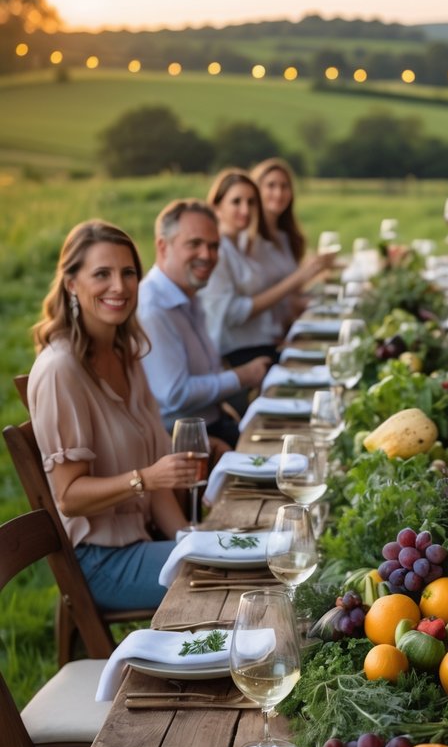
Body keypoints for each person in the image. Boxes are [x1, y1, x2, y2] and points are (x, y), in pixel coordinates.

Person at [28, 220, 197, 611]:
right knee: (227, 580)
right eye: (101, 274)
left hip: (140, 541)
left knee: (231, 563)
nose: (119, 287)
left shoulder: (127, 355)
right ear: (72, 283)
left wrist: (190, 539)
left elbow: (157, 491)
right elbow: (68, 498)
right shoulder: (61, 369)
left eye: (128, 273)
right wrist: (145, 478)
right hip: (98, 561)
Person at [139, 199, 271, 446]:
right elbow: (174, 395)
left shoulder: (189, 294)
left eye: (213, 246)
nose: (207, 255)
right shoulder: (153, 308)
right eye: (195, 244)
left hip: (212, 423)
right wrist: (243, 376)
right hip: (181, 443)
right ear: (163, 246)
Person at [200, 169, 335, 367]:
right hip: (238, 355)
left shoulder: (241, 246)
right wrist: (298, 278)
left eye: (251, 202)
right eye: (236, 202)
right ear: (217, 207)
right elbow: (232, 314)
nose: (246, 210)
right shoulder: (218, 251)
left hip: (264, 343)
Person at [251, 157, 308, 334]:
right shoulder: (251, 241)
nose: (279, 193)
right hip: (266, 336)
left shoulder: (285, 237)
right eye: (271, 186)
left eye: (284, 186)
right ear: (256, 190)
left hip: (288, 328)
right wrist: (305, 273)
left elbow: (293, 294)